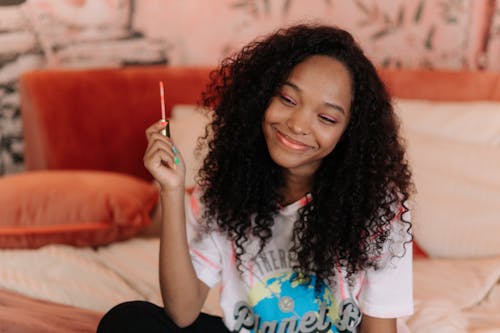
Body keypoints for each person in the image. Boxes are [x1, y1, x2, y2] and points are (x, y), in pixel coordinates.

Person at [97, 24, 414, 333]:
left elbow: (379, 327)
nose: (298, 124)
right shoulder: (223, 190)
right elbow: (182, 312)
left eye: (327, 117)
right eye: (288, 100)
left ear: (350, 133)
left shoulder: (379, 208)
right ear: (261, 97)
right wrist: (171, 189)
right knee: (128, 320)